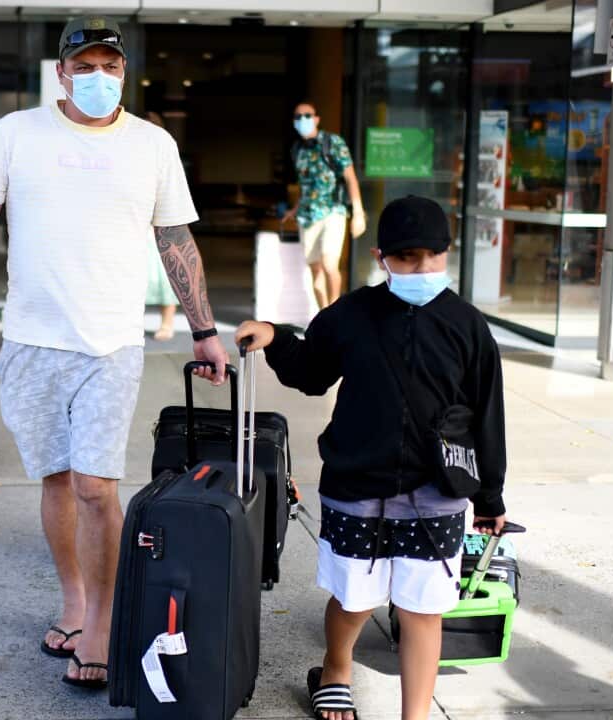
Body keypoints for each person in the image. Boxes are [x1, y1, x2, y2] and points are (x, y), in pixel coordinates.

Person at [0, 16, 229, 690]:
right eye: (84, 66)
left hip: (109, 343)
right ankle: (75, 599)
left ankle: (102, 622)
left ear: (124, 73)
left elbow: (175, 239)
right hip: (33, 341)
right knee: (58, 481)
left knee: (96, 487)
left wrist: (205, 328)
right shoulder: (17, 134)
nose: (97, 77)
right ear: (60, 72)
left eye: (109, 66)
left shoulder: (151, 144)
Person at [236, 195, 508, 720]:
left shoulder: (467, 325)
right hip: (358, 485)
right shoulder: (353, 314)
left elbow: (486, 415)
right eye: (407, 258)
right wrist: (275, 339)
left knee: (423, 610)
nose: (421, 268)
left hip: (438, 491)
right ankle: (336, 666)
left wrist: (490, 496)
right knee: (355, 599)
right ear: (383, 257)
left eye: (432, 257)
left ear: (447, 255)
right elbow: (311, 372)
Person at [281, 102, 366, 309]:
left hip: (333, 211)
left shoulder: (332, 142)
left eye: (307, 115)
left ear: (317, 118)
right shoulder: (296, 149)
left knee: (329, 265)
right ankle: (324, 316)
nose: (303, 120)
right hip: (307, 216)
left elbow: (350, 178)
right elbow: (305, 185)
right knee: (316, 272)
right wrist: (295, 208)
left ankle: (336, 312)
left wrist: (358, 212)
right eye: (298, 117)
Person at [144, 112, 179, 341]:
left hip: (161, 224)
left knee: (165, 275)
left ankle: (167, 323)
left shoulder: (166, 155)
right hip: (135, 226)